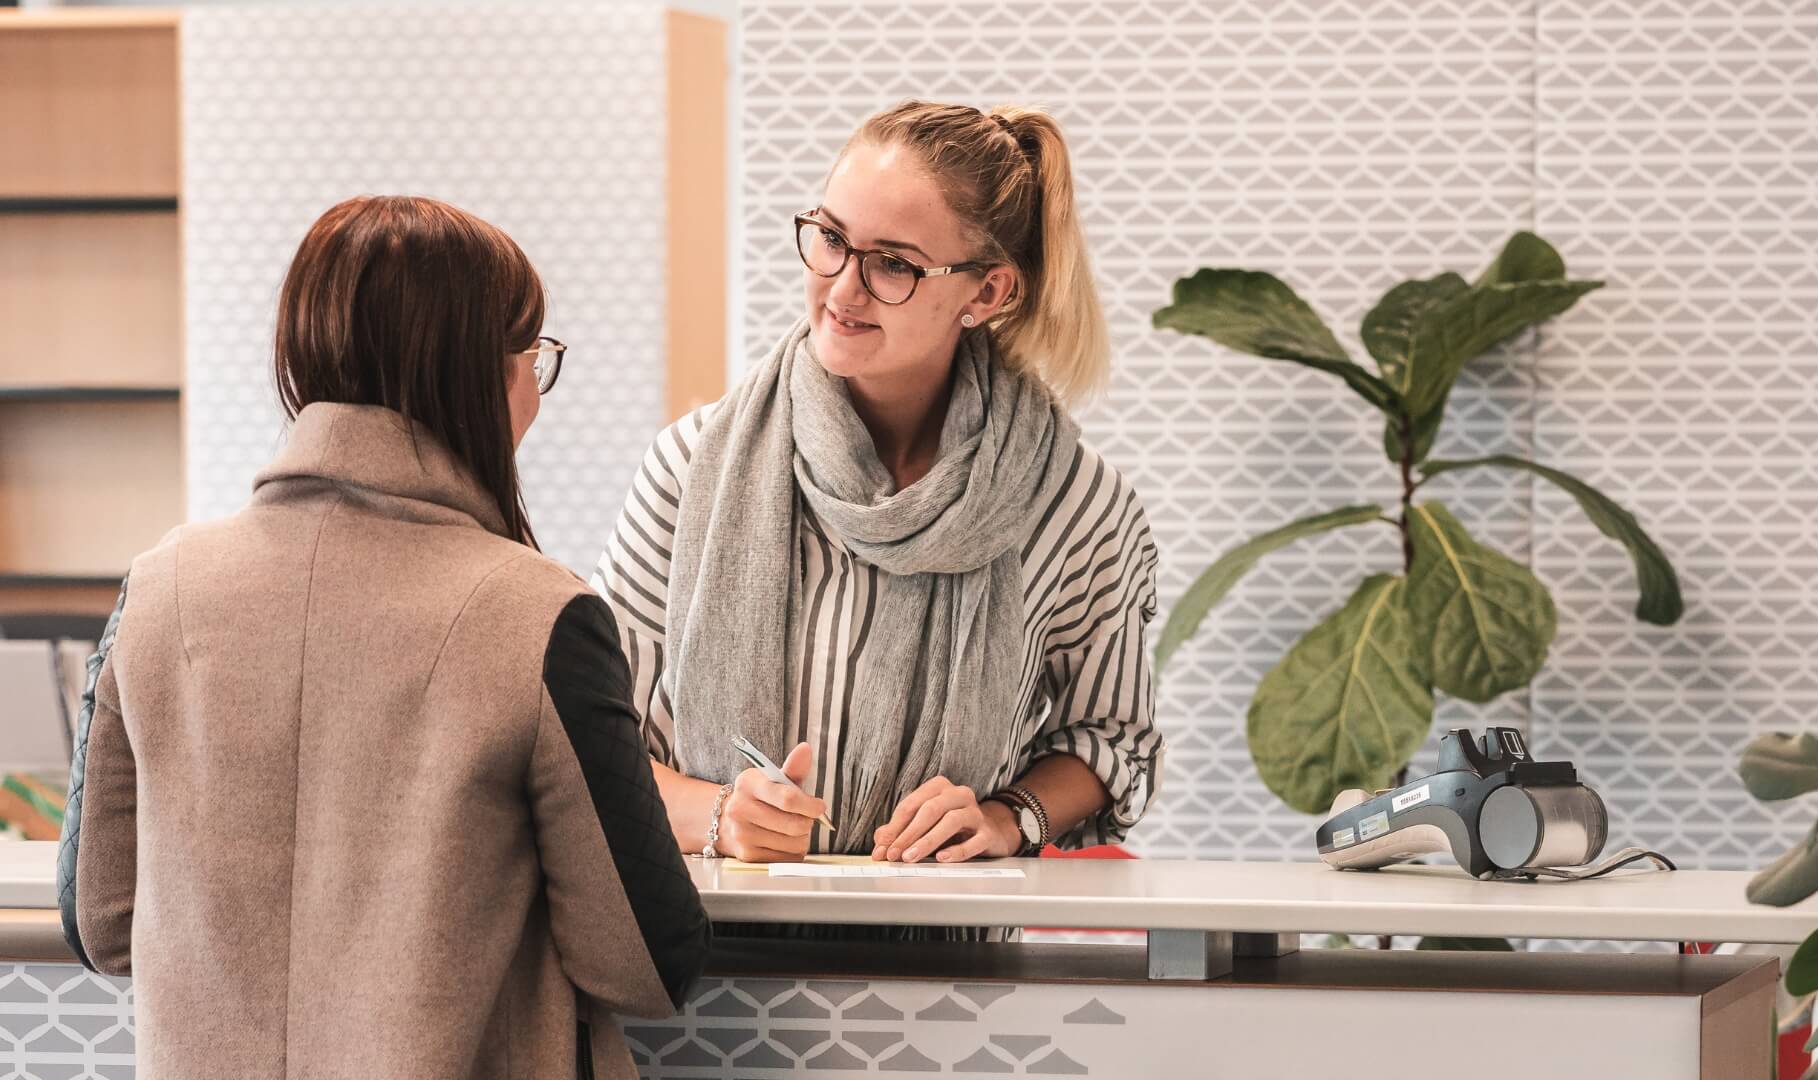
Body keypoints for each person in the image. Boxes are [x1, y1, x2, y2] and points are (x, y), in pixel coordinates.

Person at [57, 195, 710, 1079]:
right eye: (532, 359)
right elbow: (641, 959)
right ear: (474, 375)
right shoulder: (540, 615)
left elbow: (100, 922)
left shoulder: (157, 591)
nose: (534, 394)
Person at [592, 101, 1163, 929]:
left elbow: (1111, 738)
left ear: (988, 291)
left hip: (951, 976)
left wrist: (1007, 818)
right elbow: (597, 739)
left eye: (892, 263)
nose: (842, 287)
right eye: (829, 238)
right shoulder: (691, 466)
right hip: (701, 969)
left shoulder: (1074, 505)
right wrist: (716, 815)